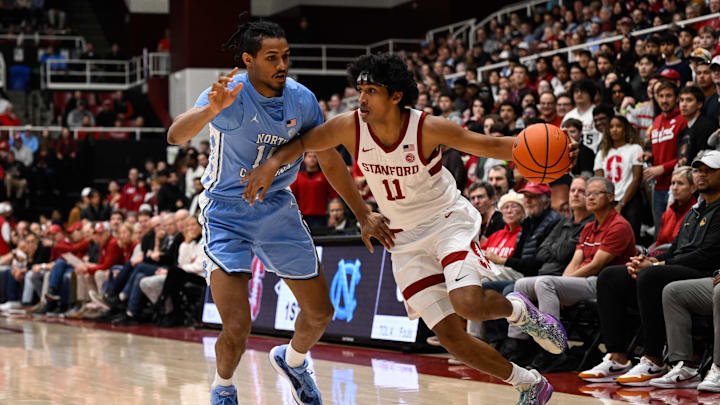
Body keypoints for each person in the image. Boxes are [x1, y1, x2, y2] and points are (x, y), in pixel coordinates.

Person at [243, 53, 576, 404]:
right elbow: (309, 143)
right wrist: (277, 166)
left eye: (371, 91)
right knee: (450, 337)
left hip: (447, 222)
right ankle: (529, 383)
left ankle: (520, 312)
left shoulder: (428, 128)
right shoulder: (350, 126)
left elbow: (493, 145)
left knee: (468, 304)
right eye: (360, 90)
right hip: (403, 239)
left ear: (396, 95)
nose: (363, 99)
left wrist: (555, 150)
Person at [166, 19, 388, 405]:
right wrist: (208, 111)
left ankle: (294, 360)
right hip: (225, 213)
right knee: (237, 326)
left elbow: (331, 160)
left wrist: (363, 213)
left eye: (285, 56)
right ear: (249, 60)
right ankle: (223, 388)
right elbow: (175, 135)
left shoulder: (301, 100)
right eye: (271, 58)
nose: (281, 64)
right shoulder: (229, 93)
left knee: (320, 313)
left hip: (277, 210)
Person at [579, 151, 720, 386]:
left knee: (651, 276)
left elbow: (708, 255)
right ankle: (617, 357)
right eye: (698, 170)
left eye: (709, 170)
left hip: (706, 274)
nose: (702, 175)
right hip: (677, 269)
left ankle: (654, 358)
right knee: (611, 277)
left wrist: (658, 265)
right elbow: (675, 249)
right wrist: (648, 259)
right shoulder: (694, 212)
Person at [511, 177, 634, 372]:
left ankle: (553, 350)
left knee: (545, 284)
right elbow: (575, 261)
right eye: (588, 194)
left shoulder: (619, 226)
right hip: (582, 281)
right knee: (521, 285)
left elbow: (596, 265)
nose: (590, 198)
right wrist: (563, 285)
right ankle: (519, 344)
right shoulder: (588, 227)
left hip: (603, 283)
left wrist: (562, 286)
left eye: (596, 193)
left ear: (611, 197)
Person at [593, 116, 644, 239]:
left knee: (630, 237)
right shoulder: (601, 153)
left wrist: (621, 204)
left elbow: (636, 179)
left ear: (625, 129)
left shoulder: (635, 149)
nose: (615, 130)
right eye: (611, 127)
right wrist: (608, 204)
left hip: (630, 201)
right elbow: (600, 182)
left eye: (619, 126)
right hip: (609, 203)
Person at [646, 80, 687, 230]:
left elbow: (686, 155)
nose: (664, 100)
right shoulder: (656, 121)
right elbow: (660, 149)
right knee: (660, 231)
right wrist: (649, 156)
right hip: (658, 186)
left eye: (668, 96)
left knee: (675, 231)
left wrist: (662, 168)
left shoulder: (682, 120)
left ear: (676, 98)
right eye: (661, 96)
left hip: (677, 185)